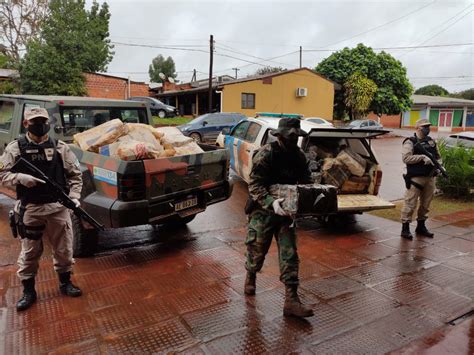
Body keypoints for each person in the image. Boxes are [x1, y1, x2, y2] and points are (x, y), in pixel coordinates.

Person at [0, 108, 83, 311]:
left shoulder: (60, 147)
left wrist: (74, 197)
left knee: (64, 250)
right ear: (26, 124)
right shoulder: (16, 147)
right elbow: (2, 173)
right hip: (31, 208)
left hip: (57, 207)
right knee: (29, 252)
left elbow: (75, 175)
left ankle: (65, 282)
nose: (40, 125)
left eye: (43, 121)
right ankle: (28, 291)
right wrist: (19, 178)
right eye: (35, 121)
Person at [244, 117, 314, 318]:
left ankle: (291, 300)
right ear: (280, 136)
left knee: (290, 253)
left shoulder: (299, 156)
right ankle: (250, 275)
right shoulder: (266, 154)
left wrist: (310, 195)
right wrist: (271, 202)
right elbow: (255, 185)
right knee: (257, 249)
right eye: (289, 137)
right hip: (263, 210)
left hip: (286, 213)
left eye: (296, 138)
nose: (293, 141)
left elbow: (306, 181)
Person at [400, 118, 440, 240]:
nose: (427, 129)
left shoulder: (431, 142)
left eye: (428, 126)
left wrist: (439, 166)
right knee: (410, 203)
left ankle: (421, 226)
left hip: (430, 177)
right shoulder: (410, 142)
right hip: (415, 178)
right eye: (424, 127)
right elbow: (406, 158)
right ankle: (405, 228)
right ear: (417, 128)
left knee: (425, 204)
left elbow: (438, 157)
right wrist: (421, 157)